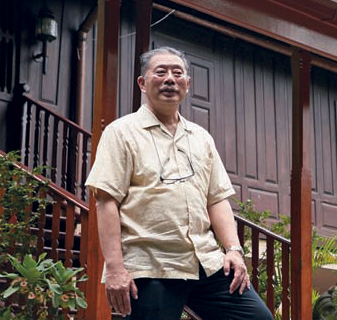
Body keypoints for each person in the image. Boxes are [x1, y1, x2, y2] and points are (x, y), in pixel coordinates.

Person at [85, 47, 273, 320]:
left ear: (188, 84)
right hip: (152, 263)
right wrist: (115, 267)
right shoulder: (121, 132)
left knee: (257, 317)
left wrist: (233, 249)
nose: (170, 79)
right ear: (143, 83)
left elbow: (217, 199)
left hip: (205, 261)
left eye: (177, 73)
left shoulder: (201, 138)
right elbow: (106, 200)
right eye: (160, 72)